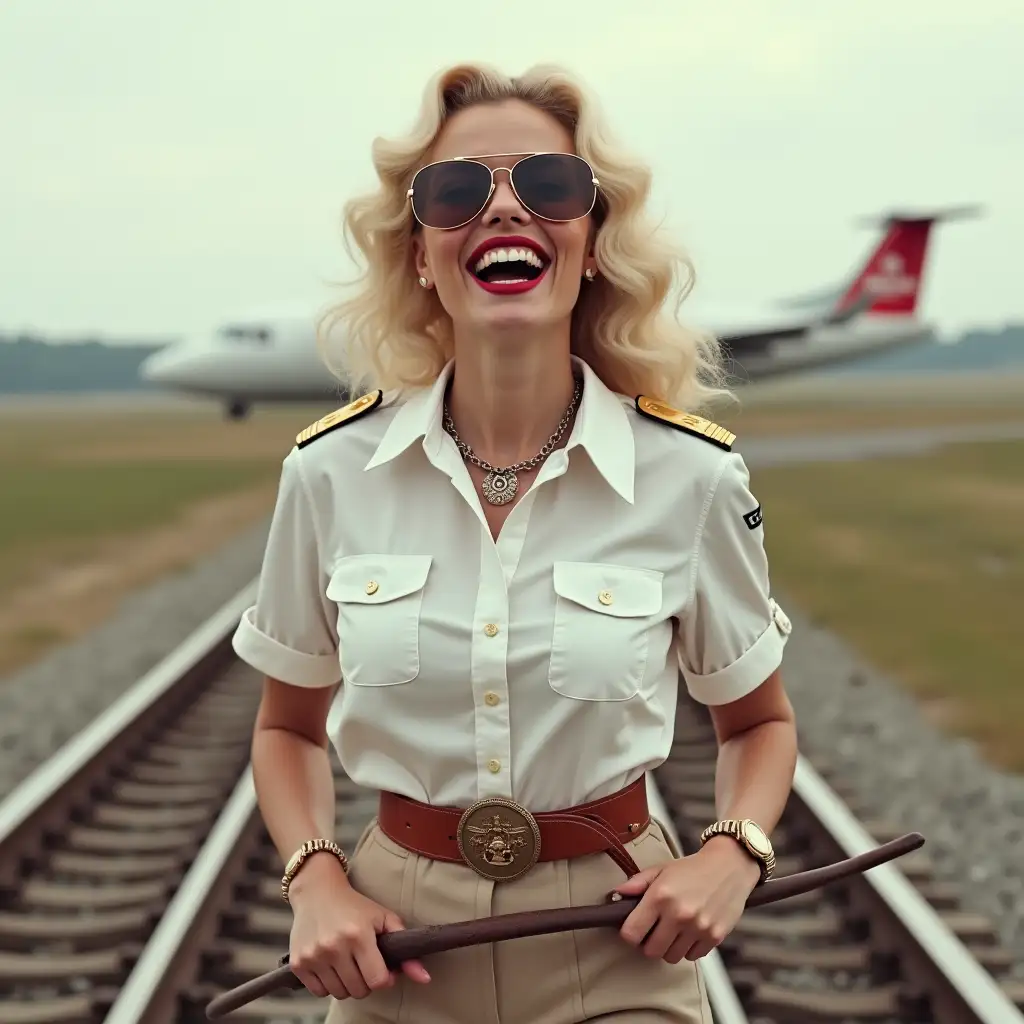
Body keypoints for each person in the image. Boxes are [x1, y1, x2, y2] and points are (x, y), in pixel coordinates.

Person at [231, 60, 799, 1024]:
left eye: (548, 185)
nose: (503, 210)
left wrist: (731, 853)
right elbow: (286, 728)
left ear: (590, 242)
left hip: (617, 949)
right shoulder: (328, 474)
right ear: (419, 252)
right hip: (402, 955)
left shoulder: (692, 478)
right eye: (455, 191)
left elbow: (759, 726)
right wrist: (313, 878)